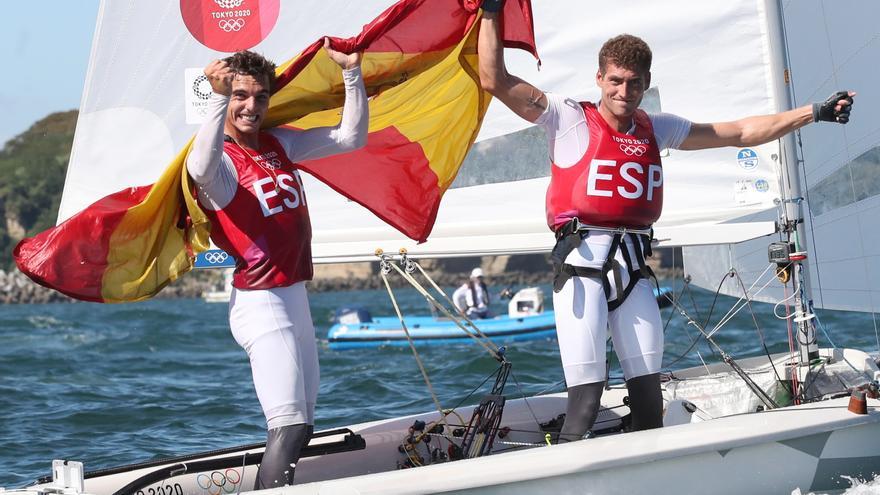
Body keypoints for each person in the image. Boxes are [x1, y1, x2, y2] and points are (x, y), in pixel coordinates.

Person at [477, 0, 854, 441]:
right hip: (581, 273)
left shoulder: (657, 127)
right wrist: (490, 12)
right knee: (585, 399)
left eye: (634, 83)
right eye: (614, 81)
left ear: (646, 83)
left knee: (648, 398)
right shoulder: (567, 116)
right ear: (599, 78)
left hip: (634, 272)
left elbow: (739, 132)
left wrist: (812, 113)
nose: (623, 91)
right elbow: (494, 80)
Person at [185, 41, 367, 487]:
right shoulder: (218, 158)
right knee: (287, 426)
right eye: (240, 96)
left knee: (302, 428)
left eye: (260, 97)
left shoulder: (277, 142)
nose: (251, 106)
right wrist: (215, 96)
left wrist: (351, 74)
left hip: (294, 297)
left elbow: (350, 137)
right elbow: (200, 168)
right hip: (261, 302)